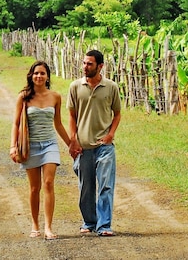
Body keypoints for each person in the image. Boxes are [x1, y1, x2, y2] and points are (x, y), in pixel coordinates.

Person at [9, 60, 71, 240]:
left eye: (42, 73)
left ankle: (48, 227)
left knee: (49, 183)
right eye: (36, 73)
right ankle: (35, 225)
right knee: (35, 188)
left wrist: (70, 145)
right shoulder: (24, 97)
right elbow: (16, 123)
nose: (39, 76)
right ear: (31, 75)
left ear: (47, 76)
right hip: (30, 146)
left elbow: (58, 124)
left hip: (50, 145)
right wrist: (13, 146)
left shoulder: (56, 97)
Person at [67, 49, 122, 237]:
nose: (85, 67)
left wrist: (110, 135)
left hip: (104, 146)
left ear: (100, 66)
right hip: (83, 147)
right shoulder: (75, 86)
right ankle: (89, 222)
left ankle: (104, 225)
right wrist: (73, 140)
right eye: (84, 63)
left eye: (89, 64)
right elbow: (72, 116)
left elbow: (117, 114)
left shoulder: (111, 87)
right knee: (86, 187)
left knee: (106, 185)